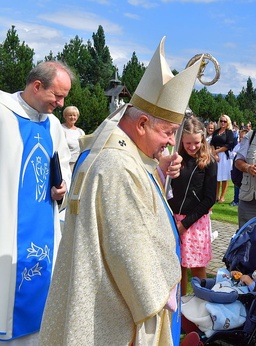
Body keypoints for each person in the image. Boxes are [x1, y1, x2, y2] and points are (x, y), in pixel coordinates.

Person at [39, 37, 202, 345]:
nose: (171, 141)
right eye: (168, 132)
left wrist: (157, 168)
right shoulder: (118, 167)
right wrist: (161, 289)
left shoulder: (115, 150)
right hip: (116, 311)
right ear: (141, 123)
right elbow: (129, 251)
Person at [0, 61, 73, 344]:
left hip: (44, 228)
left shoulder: (53, 125)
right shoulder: (3, 113)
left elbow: (63, 167)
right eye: (57, 95)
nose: (61, 102)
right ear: (37, 86)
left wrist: (62, 188)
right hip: (7, 227)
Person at [168, 116, 217, 296]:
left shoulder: (209, 162)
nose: (193, 147)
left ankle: (201, 305)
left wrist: (185, 224)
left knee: (196, 268)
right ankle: (179, 309)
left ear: (202, 139)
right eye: (188, 143)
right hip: (173, 219)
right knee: (176, 268)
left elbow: (209, 199)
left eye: (196, 142)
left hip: (195, 223)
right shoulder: (175, 159)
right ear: (181, 139)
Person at [181, 256, 256, 340]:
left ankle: (203, 325)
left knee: (216, 308)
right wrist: (234, 275)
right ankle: (194, 318)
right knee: (208, 300)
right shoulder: (248, 278)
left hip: (240, 307)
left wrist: (249, 282)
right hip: (229, 295)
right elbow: (235, 284)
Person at [211, 114, 234, 203]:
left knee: (224, 177)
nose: (223, 123)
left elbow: (229, 145)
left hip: (224, 155)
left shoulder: (229, 132)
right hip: (215, 154)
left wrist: (217, 151)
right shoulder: (216, 132)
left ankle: (222, 196)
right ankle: (216, 195)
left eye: (224, 121)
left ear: (228, 122)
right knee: (216, 176)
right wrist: (214, 152)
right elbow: (212, 143)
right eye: (221, 121)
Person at [61, 105, 85, 171]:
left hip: (78, 163)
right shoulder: (61, 129)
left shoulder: (80, 132)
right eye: (70, 115)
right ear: (65, 116)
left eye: (74, 115)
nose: (72, 117)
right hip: (64, 164)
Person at [230, 128, 248, 207]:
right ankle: (235, 200)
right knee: (236, 185)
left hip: (243, 170)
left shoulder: (248, 147)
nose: (242, 139)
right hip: (236, 169)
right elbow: (232, 154)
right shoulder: (238, 146)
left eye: (243, 137)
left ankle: (239, 200)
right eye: (240, 137)